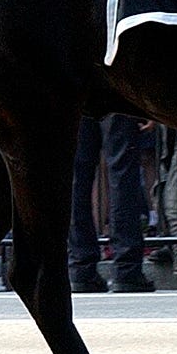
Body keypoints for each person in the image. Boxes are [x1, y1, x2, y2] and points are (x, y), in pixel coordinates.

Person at [68, 115, 156, 292]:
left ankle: (80, 267)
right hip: (115, 98)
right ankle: (126, 268)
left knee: (76, 178)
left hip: (74, 96)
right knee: (122, 174)